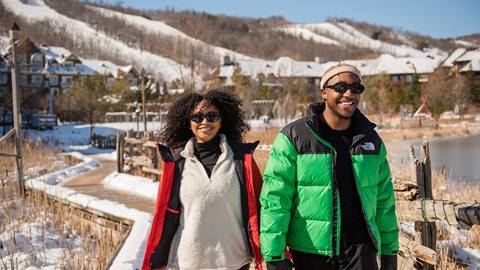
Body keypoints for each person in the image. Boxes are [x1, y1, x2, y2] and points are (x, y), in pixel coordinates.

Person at [260, 64, 399, 270]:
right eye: (341, 87)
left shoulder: (370, 140)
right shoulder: (295, 137)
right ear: (324, 92)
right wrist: (274, 255)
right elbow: (275, 198)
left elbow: (384, 202)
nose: (349, 93)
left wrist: (389, 252)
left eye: (356, 88)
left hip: (361, 250)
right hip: (312, 251)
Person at [142, 90, 264, 270]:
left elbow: (260, 209)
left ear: (222, 120)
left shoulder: (241, 159)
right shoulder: (176, 163)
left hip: (235, 262)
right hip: (187, 263)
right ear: (188, 122)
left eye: (212, 116)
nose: (205, 122)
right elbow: (166, 217)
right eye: (197, 117)